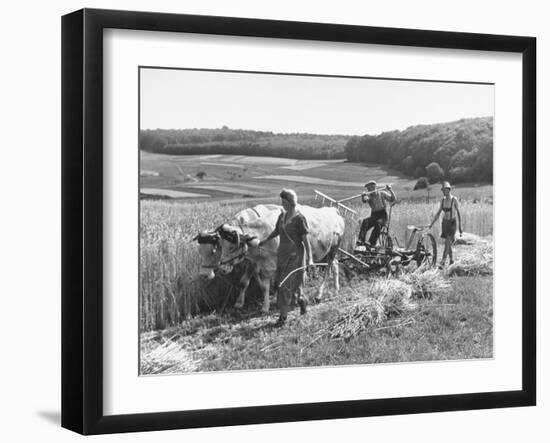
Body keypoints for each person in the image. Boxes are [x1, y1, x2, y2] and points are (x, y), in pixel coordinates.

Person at [259, 189, 314, 326]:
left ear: (290, 202)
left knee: (285, 286)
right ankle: (302, 301)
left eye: (285, 201)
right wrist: (264, 240)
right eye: (283, 201)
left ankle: (283, 317)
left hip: (295, 256)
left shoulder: (299, 219)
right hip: (282, 255)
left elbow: (306, 241)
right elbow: (277, 231)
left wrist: (310, 259)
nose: (283, 204)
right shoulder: (281, 217)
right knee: (283, 284)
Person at [429, 181, 463, 267]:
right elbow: (438, 213)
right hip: (445, 223)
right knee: (448, 243)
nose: (443, 192)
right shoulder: (443, 200)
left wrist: (460, 227)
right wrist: (431, 223)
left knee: (447, 241)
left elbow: (458, 212)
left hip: (452, 223)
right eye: (442, 190)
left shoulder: (454, 199)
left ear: (449, 190)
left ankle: (443, 262)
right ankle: (451, 260)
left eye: (445, 190)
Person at [358, 180, 396, 246]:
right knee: (365, 222)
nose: (369, 190)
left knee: (378, 224)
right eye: (368, 189)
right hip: (374, 215)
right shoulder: (369, 196)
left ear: (374, 187)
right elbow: (365, 200)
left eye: (370, 188)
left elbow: (392, 198)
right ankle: (361, 240)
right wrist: (363, 196)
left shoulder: (382, 193)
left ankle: (371, 242)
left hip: (383, 215)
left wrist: (390, 190)